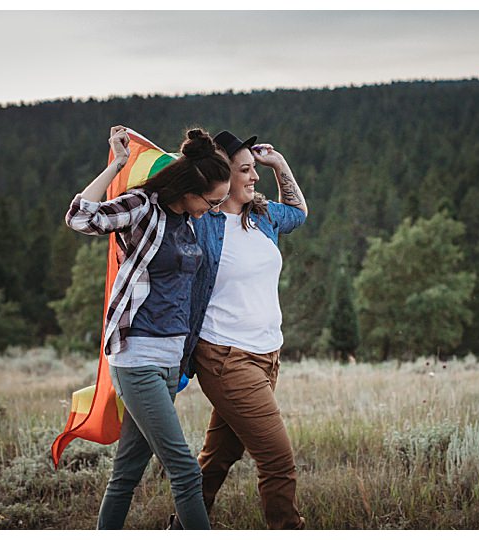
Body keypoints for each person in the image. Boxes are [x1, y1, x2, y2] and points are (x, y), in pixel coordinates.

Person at [65, 125, 232, 530]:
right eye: (211, 201)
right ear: (189, 189)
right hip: (137, 358)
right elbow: (79, 217)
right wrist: (119, 164)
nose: (213, 208)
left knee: (126, 474)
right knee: (186, 471)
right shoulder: (143, 208)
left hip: (170, 363)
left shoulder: (192, 222)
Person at [170, 130, 308, 529]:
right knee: (278, 460)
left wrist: (279, 165)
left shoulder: (261, 216)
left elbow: (298, 214)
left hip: (267, 356)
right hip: (225, 357)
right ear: (223, 177)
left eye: (253, 169)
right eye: (245, 170)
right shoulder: (200, 223)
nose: (254, 177)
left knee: (217, 459)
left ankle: (182, 528)